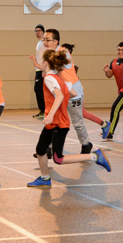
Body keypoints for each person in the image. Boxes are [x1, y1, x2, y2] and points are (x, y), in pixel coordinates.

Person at [27, 49, 111, 188]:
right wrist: (61, 104)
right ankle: (44, 178)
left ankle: (95, 157)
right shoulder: (59, 78)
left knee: (58, 158)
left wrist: (51, 114)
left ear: (46, 63)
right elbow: (72, 93)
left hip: (58, 123)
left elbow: (60, 95)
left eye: (41, 61)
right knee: (41, 150)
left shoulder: (49, 78)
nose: (39, 63)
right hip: (55, 123)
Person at [42, 29, 94, 154]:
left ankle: (86, 145)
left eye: (47, 40)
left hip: (73, 90)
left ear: (56, 41)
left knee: (77, 122)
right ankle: (48, 148)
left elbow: (60, 65)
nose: (45, 42)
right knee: (53, 117)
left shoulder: (63, 52)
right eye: (43, 40)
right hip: (61, 90)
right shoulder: (52, 54)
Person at [61, 43, 111, 136]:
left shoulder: (68, 65)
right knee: (82, 113)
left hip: (74, 93)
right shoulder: (65, 64)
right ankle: (104, 124)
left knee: (61, 114)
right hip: (73, 91)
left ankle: (55, 141)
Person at [29, 24, 46, 118]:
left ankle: (45, 110)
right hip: (38, 69)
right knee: (38, 89)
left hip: (42, 69)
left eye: (39, 31)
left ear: (43, 32)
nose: (37, 33)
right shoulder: (39, 43)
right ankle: (42, 110)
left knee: (39, 90)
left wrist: (44, 70)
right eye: (36, 31)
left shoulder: (44, 43)